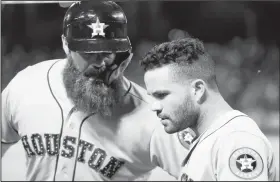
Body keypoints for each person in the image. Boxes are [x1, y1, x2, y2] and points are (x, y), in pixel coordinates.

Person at [1, 1, 188, 181]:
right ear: (66, 45)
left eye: (108, 52)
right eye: (88, 53)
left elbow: (207, 169)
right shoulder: (26, 85)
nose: (100, 62)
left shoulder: (152, 116)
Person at [140, 37, 276, 181]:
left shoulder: (235, 139)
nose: (154, 106)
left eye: (161, 95)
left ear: (198, 89)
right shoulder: (210, 137)